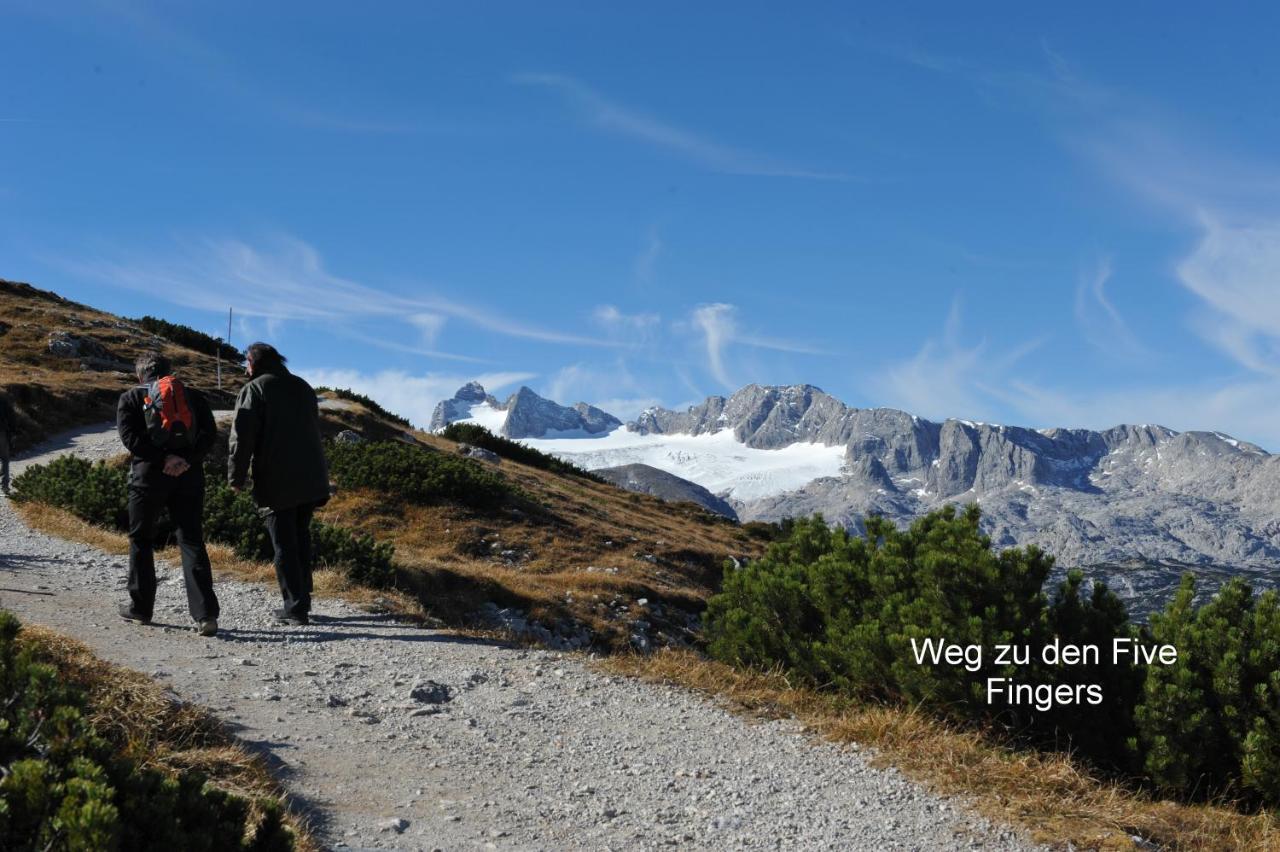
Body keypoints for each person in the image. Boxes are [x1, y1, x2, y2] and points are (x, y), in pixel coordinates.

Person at [117, 352, 220, 636]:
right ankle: (205, 615)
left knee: (141, 538)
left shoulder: (131, 397)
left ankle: (141, 609)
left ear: (141, 375)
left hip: (148, 478)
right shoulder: (193, 397)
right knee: (190, 540)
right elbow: (209, 435)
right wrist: (186, 460)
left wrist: (163, 460)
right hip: (189, 476)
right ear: (169, 372)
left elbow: (130, 439)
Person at [228, 342, 330, 626]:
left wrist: (236, 478)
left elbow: (242, 438)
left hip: (277, 478)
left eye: (246, 363)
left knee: (283, 542)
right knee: (300, 538)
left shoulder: (254, 390)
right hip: (311, 478)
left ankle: (295, 608)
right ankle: (303, 599)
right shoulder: (303, 386)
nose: (245, 368)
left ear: (253, 362)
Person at [0, 391, 15, 496]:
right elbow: (11, 416)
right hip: (1, 432)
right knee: (5, 459)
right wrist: (13, 432)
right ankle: (5, 486)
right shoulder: (2, 400)